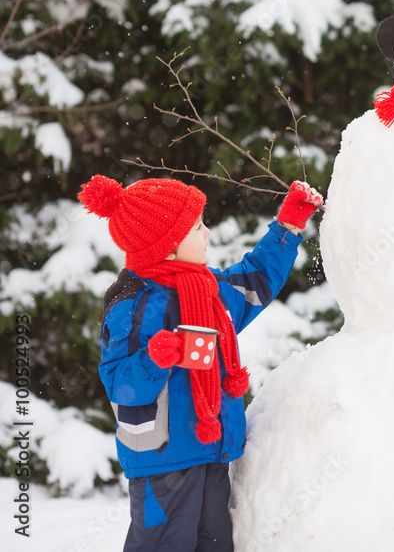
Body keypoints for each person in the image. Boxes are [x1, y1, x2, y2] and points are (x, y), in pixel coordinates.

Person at [78, 174, 323, 551]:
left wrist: (287, 228)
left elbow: (254, 281)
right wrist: (154, 359)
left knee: (215, 544)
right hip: (163, 462)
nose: (206, 233)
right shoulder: (132, 305)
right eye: (197, 226)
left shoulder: (208, 289)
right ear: (168, 244)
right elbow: (119, 385)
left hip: (212, 453)